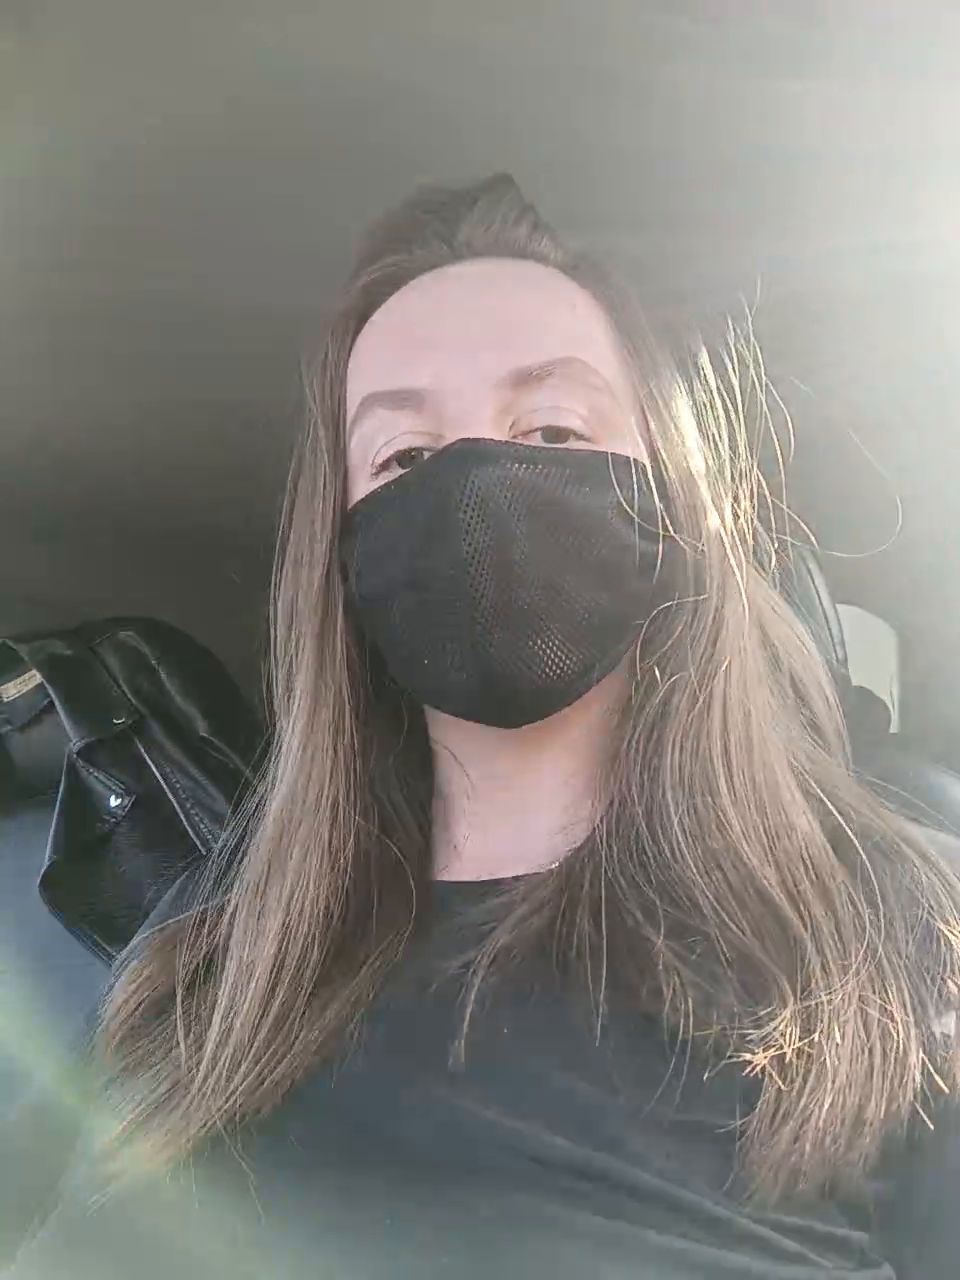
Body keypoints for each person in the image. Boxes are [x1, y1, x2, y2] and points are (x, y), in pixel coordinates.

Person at [4, 174, 960, 1278]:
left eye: (551, 427)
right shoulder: (213, 951)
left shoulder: (894, 934)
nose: (472, 484)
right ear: (343, 556)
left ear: (674, 502)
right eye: (404, 459)